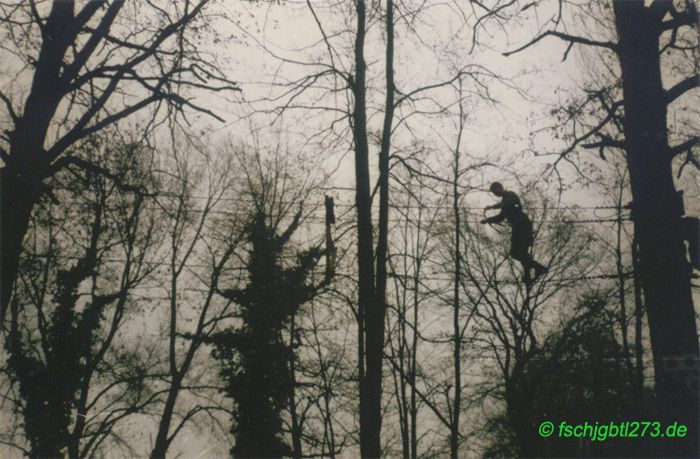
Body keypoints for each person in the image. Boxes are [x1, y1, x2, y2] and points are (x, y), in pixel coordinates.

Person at [480, 182, 547, 285]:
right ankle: (531, 274)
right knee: (521, 253)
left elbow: (508, 204)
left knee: (516, 252)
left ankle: (539, 268)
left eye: (495, 191)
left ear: (500, 188)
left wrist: (493, 206)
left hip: (522, 225)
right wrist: (488, 220)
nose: (495, 194)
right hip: (518, 227)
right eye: (493, 193)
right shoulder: (505, 200)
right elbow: (501, 217)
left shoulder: (511, 195)